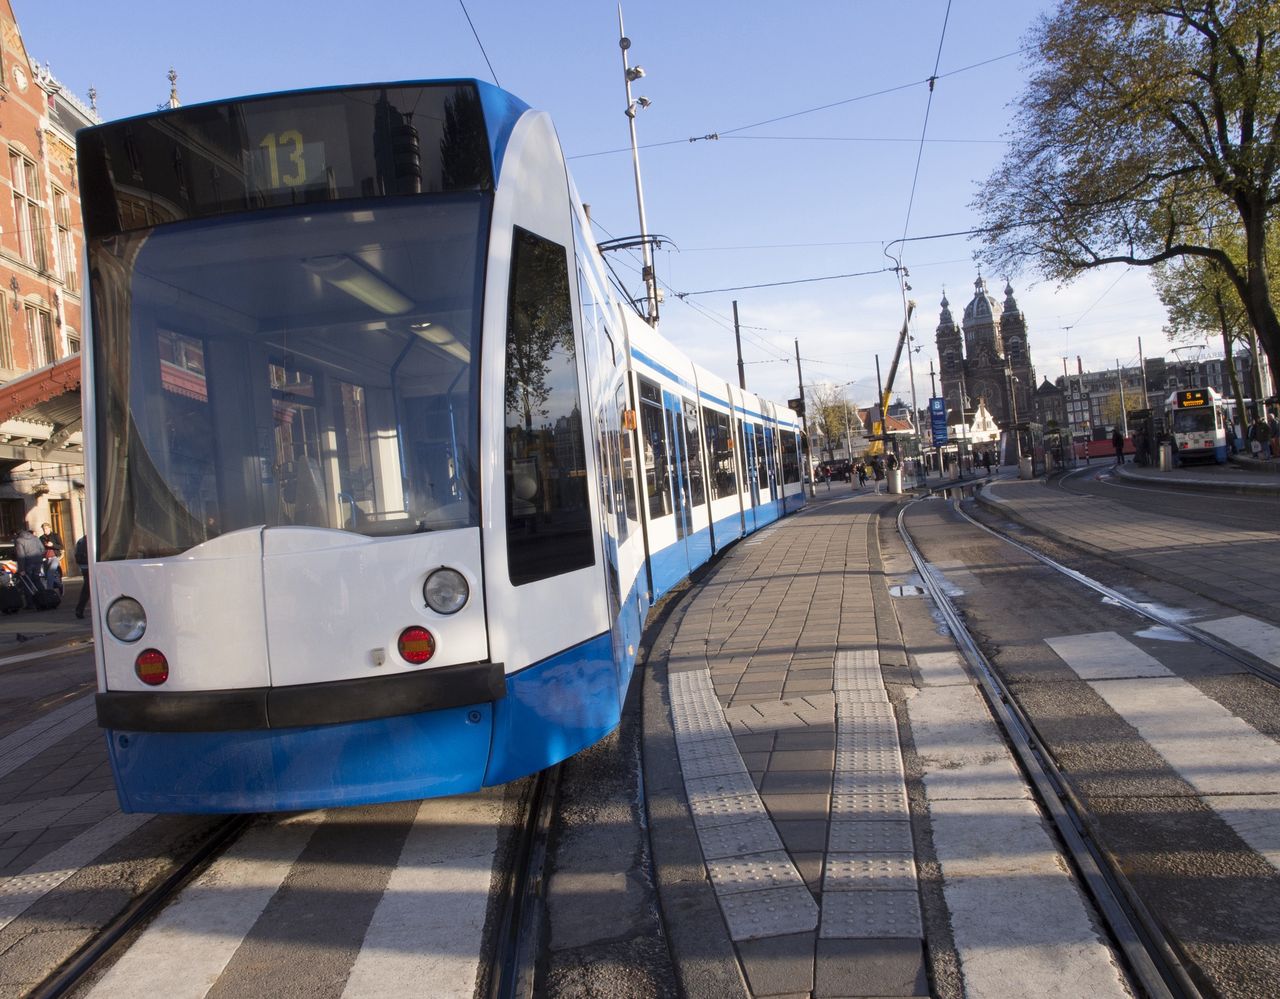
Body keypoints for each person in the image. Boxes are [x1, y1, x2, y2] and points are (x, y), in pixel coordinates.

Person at [13, 526, 43, 609]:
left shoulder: (19, 540)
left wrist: (21, 569)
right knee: (37, 580)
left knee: (27, 583)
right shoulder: (35, 538)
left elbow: (21, 556)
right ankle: (43, 597)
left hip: (27, 563)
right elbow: (42, 549)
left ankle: (30, 603)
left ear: (16, 534)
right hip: (38, 562)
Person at [74, 534, 90, 619]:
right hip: (90, 566)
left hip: (84, 567)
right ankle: (79, 609)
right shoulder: (93, 540)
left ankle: (79, 609)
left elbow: (76, 555)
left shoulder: (80, 541)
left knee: (86, 590)